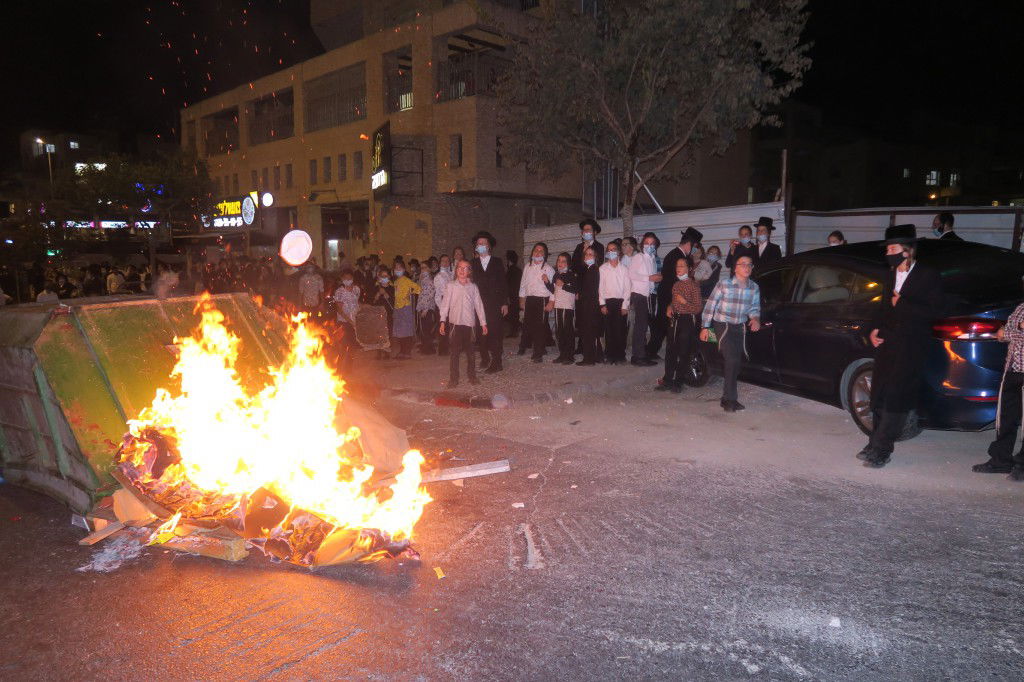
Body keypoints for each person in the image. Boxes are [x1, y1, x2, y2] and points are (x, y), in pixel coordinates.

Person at [858, 224, 943, 468]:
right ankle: (875, 441)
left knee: (896, 397)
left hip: (910, 346)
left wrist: (902, 303)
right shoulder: (890, 274)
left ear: (907, 250)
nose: (888, 253)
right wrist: (872, 330)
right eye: (887, 249)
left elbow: (935, 311)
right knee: (879, 395)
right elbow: (884, 307)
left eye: (892, 248)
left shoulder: (928, 275)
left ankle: (882, 449)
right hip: (888, 343)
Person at [700, 255, 761, 413]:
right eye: (743, 264)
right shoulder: (724, 284)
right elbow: (710, 305)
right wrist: (705, 327)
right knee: (732, 360)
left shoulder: (754, 287)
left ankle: (726, 398)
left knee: (736, 363)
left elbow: (754, 308)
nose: (747, 267)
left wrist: (755, 319)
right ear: (735, 268)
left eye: (750, 264)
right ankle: (729, 400)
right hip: (723, 325)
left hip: (739, 326)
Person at [972, 299, 1024, 480]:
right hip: (1013, 369)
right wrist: (1007, 332)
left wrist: (1007, 332)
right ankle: (1001, 460)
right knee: (1006, 417)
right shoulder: (1021, 306)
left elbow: (1014, 330)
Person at [649, 228, 702, 360]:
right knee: (663, 324)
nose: (694, 250)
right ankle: (652, 351)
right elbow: (675, 279)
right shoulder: (677, 256)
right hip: (669, 295)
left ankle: (652, 351)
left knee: (663, 325)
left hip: (670, 295)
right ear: (689, 244)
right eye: (695, 247)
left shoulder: (678, 254)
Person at [439, 259, 487, 388]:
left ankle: (472, 376)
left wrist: (483, 323)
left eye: (465, 268)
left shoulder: (473, 287)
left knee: (470, 353)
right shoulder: (450, 286)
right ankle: (453, 379)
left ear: (469, 271)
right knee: (454, 353)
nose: (462, 270)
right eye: (459, 267)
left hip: (469, 325)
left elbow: (479, 305)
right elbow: (445, 305)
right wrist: (442, 321)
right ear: (456, 270)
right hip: (455, 325)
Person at [658, 257, 702, 393]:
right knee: (670, 351)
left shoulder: (694, 285)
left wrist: (684, 302)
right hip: (674, 320)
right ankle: (667, 380)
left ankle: (679, 382)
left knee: (684, 352)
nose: (679, 268)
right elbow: (673, 301)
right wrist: (669, 307)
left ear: (689, 269)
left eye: (682, 266)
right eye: (677, 266)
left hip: (687, 320)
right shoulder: (676, 285)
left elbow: (698, 308)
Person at [470, 231, 509, 373]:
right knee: (481, 333)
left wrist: (504, 303)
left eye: (484, 244)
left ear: (489, 246)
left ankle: (497, 362)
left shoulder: (497, 262)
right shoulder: (472, 263)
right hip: (478, 304)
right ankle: (485, 357)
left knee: (494, 332)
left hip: (494, 304)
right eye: (479, 244)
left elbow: (503, 283)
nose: (481, 246)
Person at [627, 231, 661, 366]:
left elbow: (651, 278)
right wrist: (649, 278)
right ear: (642, 245)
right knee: (641, 326)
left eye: (652, 243)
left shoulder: (652, 258)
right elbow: (631, 274)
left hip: (648, 295)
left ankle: (641, 354)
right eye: (646, 243)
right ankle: (638, 356)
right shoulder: (639, 257)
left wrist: (656, 279)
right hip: (639, 294)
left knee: (643, 325)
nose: (649, 246)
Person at [518, 242, 555, 362]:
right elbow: (523, 284)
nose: (538, 253)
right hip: (530, 299)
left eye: (541, 251)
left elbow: (554, 288)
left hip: (542, 300)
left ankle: (538, 353)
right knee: (528, 324)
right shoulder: (527, 266)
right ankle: (524, 346)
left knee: (540, 327)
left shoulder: (548, 269)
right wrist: (522, 299)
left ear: (544, 254)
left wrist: (551, 302)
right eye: (536, 250)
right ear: (532, 252)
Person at [599, 240, 631, 364]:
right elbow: (600, 288)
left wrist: (625, 306)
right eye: (609, 250)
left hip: (620, 303)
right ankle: (610, 354)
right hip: (608, 302)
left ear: (618, 252)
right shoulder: (603, 268)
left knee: (620, 330)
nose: (611, 252)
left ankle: (620, 355)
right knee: (609, 330)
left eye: (613, 250)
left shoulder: (624, 269)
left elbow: (627, 288)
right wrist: (602, 304)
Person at [576, 246, 602, 366]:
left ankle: (589, 359)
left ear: (595, 257)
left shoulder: (593, 269)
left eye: (591, 254)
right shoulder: (588, 269)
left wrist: (580, 294)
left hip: (590, 306)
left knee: (588, 332)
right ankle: (593, 357)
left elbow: (591, 290)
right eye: (586, 254)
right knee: (589, 332)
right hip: (588, 305)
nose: (588, 257)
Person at [551, 252, 578, 364]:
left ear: (568, 263)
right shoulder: (556, 274)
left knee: (568, 330)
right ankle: (562, 354)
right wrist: (547, 282)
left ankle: (570, 355)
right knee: (559, 331)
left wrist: (564, 285)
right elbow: (553, 289)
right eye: (559, 261)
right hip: (558, 306)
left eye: (563, 261)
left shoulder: (571, 275)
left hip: (567, 307)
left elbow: (575, 289)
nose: (560, 263)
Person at [333, 269, 361, 372]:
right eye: (345, 278)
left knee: (353, 346)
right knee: (343, 346)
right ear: (342, 279)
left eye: (349, 278)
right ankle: (339, 369)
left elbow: (357, 303)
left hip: (354, 321)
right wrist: (349, 320)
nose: (348, 280)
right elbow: (339, 309)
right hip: (344, 322)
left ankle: (349, 368)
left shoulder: (356, 289)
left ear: (353, 279)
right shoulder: (339, 292)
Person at [391, 262, 420, 359]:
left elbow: (418, 288)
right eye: (396, 268)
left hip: (405, 308)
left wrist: (410, 294)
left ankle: (407, 352)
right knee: (399, 331)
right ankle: (402, 351)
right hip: (397, 308)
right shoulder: (396, 282)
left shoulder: (407, 280)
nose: (397, 270)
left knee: (406, 331)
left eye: (399, 268)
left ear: (403, 269)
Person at [416, 257, 438, 355]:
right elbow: (419, 292)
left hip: (427, 308)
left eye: (425, 267)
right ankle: (426, 348)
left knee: (427, 329)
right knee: (424, 329)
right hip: (422, 307)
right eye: (421, 268)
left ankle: (429, 349)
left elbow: (430, 294)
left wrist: (425, 309)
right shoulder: (423, 279)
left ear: (429, 269)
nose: (422, 270)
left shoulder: (429, 280)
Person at [433, 254, 454, 356]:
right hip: (443, 302)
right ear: (440, 263)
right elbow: (437, 294)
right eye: (443, 261)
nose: (445, 263)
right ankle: (443, 350)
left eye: (447, 261)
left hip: (451, 302)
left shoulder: (450, 274)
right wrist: (442, 309)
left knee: (449, 326)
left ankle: (447, 347)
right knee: (443, 327)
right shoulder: (438, 276)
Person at [505, 250, 523, 338]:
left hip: (512, 296)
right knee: (515, 314)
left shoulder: (509, 271)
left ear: (509, 260)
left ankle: (515, 331)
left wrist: (507, 296)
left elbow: (507, 285)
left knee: (512, 315)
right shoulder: (519, 270)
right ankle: (516, 329)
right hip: (518, 296)